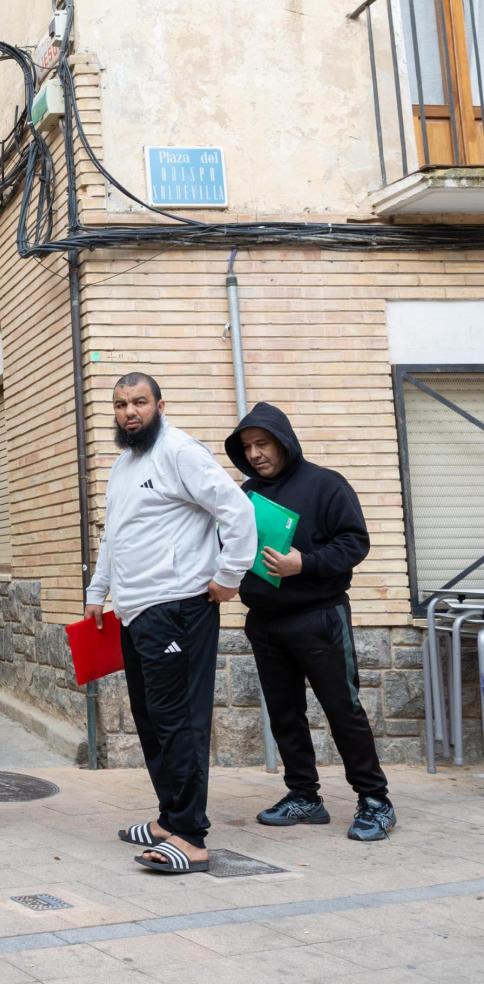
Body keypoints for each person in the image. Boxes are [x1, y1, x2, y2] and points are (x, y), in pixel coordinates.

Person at [84, 372, 256, 874]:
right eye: (120, 404)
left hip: (179, 606)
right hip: (137, 611)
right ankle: (167, 818)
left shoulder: (181, 452)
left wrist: (229, 575)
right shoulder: (123, 465)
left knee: (179, 720)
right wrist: (98, 591)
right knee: (153, 718)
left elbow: (237, 511)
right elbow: (116, 537)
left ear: (160, 404)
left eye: (139, 402)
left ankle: (190, 836)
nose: (129, 412)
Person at [225, 403, 396, 841]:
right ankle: (304, 796)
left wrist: (305, 564)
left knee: (343, 710)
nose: (256, 453)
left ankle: (375, 801)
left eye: (263, 443)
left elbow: (355, 543)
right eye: (247, 447)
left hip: (319, 617)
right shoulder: (246, 495)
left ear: (284, 441)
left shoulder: (325, 485)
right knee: (285, 715)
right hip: (265, 621)